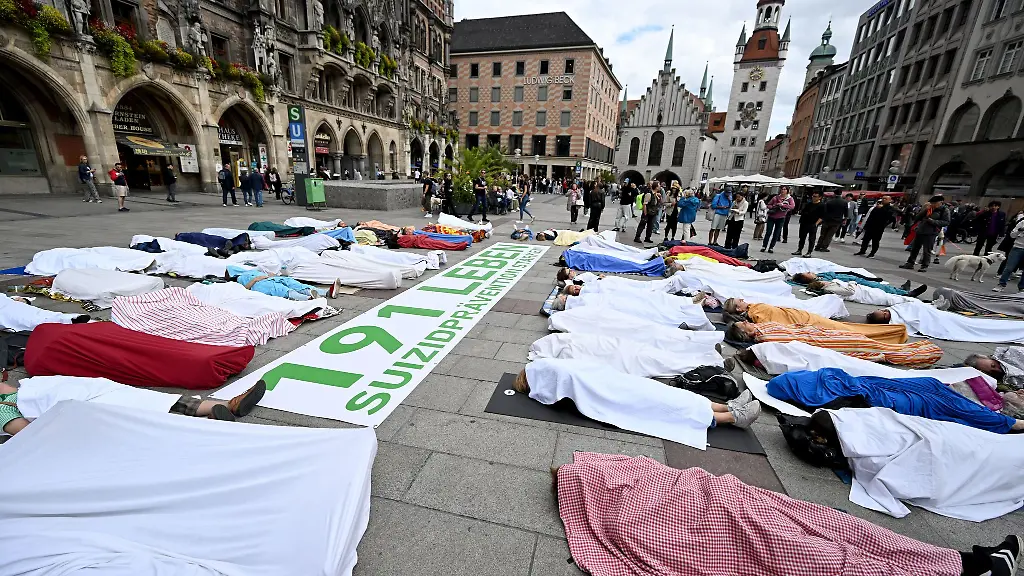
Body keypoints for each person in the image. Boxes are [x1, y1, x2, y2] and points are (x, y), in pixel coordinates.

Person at [553, 452, 1024, 576]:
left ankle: (964, 560)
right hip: (733, 532)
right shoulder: (611, 512)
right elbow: (634, 534)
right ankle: (966, 566)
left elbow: (682, 480)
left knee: (844, 530)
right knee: (825, 555)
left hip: (739, 506)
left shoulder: (621, 476)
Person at [0, 378, 267, 435]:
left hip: (97, 393)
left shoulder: (30, 383)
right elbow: (27, 433)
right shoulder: (4, 408)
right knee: (144, 411)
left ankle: (224, 408)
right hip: (86, 413)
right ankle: (215, 414)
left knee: (151, 401)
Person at [726, 321, 943, 368]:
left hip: (825, 334)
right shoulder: (766, 339)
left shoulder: (766, 327)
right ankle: (922, 354)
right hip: (830, 344)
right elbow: (799, 346)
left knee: (868, 341)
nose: (746, 320)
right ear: (746, 334)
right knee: (879, 350)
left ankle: (918, 349)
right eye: (743, 324)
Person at [722, 298, 908, 344]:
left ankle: (891, 333)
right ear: (739, 309)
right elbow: (778, 323)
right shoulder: (755, 316)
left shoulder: (754, 310)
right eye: (740, 301)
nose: (743, 299)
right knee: (848, 332)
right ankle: (893, 335)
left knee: (846, 327)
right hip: (808, 324)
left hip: (805, 317)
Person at [225, 264, 340, 300]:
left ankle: (326, 292)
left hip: (270, 279)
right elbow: (245, 289)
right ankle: (307, 298)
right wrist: (255, 279)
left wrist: (272, 275)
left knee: (294, 283)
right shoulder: (239, 279)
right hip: (260, 285)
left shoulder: (252, 270)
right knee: (283, 290)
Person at [901, 195, 950, 272]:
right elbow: (917, 218)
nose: (932, 204)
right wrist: (924, 210)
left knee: (927, 250)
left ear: (940, 202)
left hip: (931, 232)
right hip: (921, 230)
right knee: (915, 248)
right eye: (931, 203)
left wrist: (933, 221)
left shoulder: (944, 210)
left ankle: (924, 265)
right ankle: (910, 263)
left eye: (934, 203)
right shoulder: (929, 209)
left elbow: (946, 222)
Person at [792, 271, 926, 297]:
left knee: (881, 286)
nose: (810, 271)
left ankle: (900, 289)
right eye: (807, 273)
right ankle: (907, 293)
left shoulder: (821, 275)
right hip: (853, 285)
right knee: (880, 289)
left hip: (853, 279)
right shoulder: (819, 282)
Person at [760, 187, 795, 253]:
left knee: (776, 233)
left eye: (785, 189)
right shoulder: (775, 197)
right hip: (772, 217)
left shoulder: (789, 199)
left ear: (787, 191)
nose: (783, 191)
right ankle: (764, 246)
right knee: (768, 232)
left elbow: (792, 206)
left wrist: (783, 205)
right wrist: (774, 206)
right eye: (782, 189)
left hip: (781, 218)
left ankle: (771, 247)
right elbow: (769, 205)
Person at [792, 191, 824, 256]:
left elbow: (822, 216)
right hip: (804, 222)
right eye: (813, 196)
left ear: (820, 197)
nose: (813, 198)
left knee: (811, 238)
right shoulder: (808, 204)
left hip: (813, 223)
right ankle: (799, 249)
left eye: (815, 196)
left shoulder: (822, 205)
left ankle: (809, 252)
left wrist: (816, 224)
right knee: (802, 237)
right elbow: (803, 212)